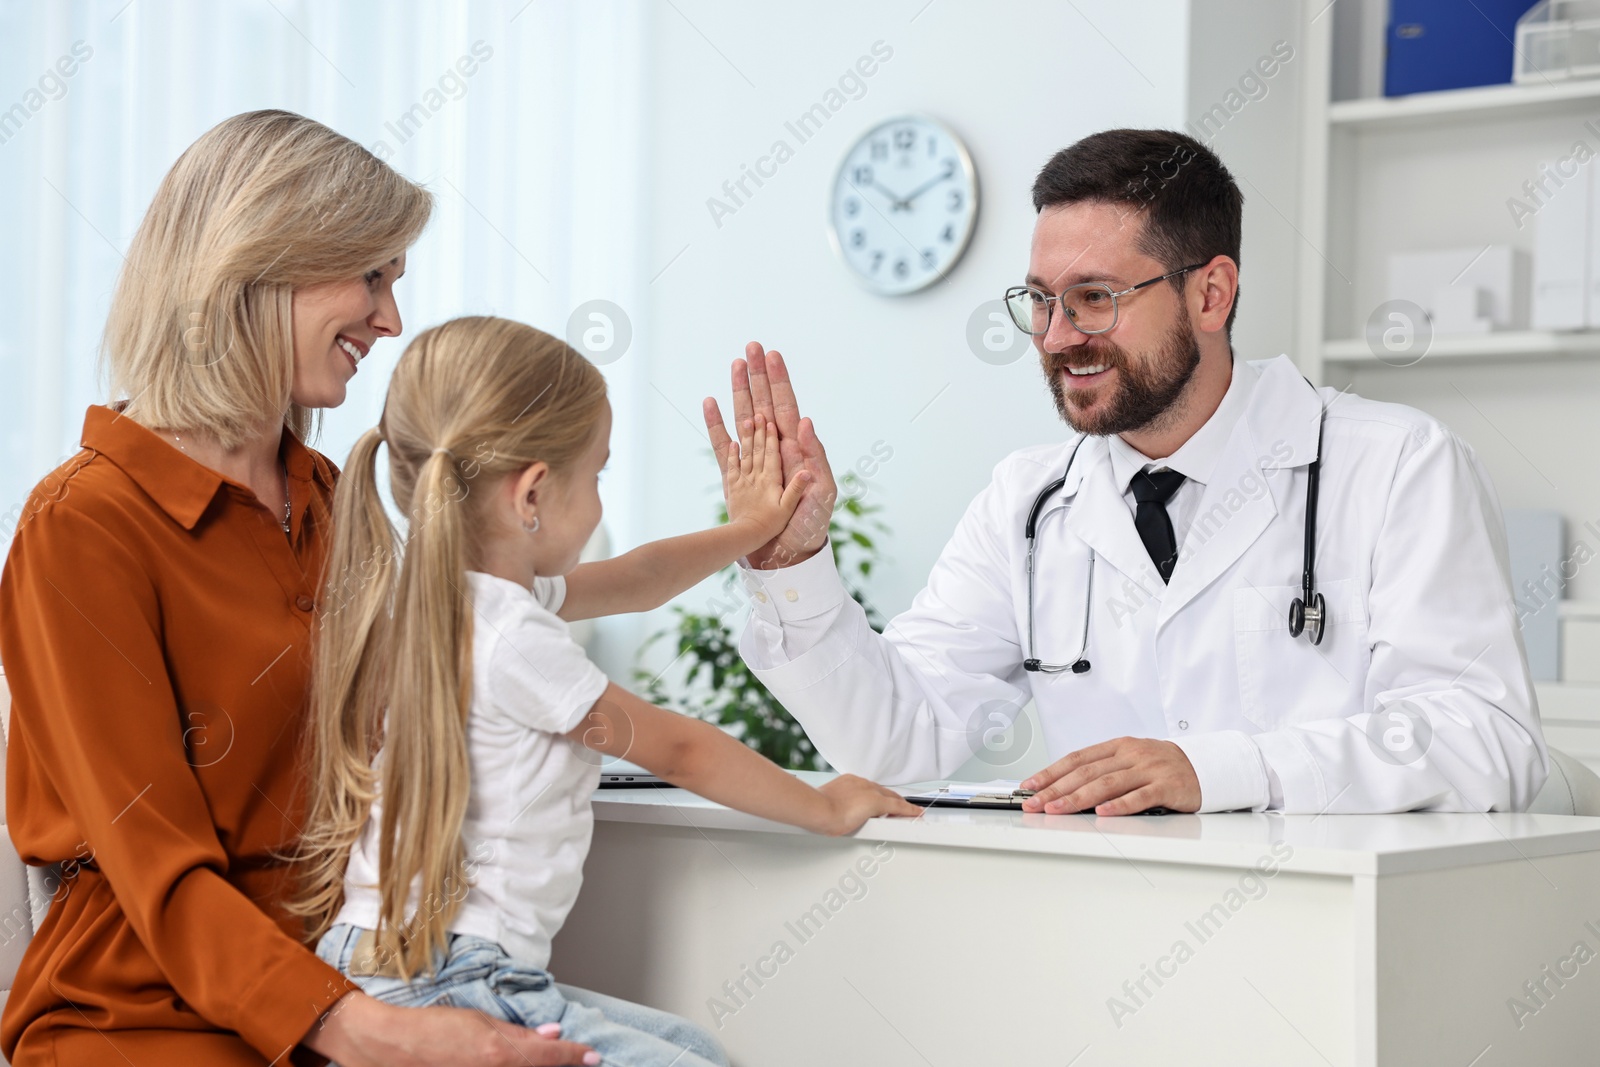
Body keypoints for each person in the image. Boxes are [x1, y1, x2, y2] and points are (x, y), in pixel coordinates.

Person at [705, 128, 1548, 817]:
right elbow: (898, 742)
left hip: (1332, 946)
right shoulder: (1026, 502)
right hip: (1101, 936)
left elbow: (1486, 743)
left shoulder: (1397, 465)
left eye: (1096, 297)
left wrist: (1216, 769)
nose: (1057, 336)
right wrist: (794, 567)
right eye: (1040, 299)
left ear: (1211, 295)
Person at [0, 111, 598, 1066]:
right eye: (372, 277)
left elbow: (478, 619)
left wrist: (753, 541)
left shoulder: (326, 501)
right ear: (259, 262)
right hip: (145, 1017)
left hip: (350, 979)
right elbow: (156, 869)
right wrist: (378, 1034)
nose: (391, 321)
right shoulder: (82, 524)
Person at [291, 316, 919, 1066]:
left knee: (690, 1047)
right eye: (597, 475)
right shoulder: (513, 637)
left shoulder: (439, 601)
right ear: (532, 493)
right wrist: (827, 804)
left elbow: (639, 579)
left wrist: (752, 527)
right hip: (457, 977)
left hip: (381, 963)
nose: (598, 504)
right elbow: (680, 749)